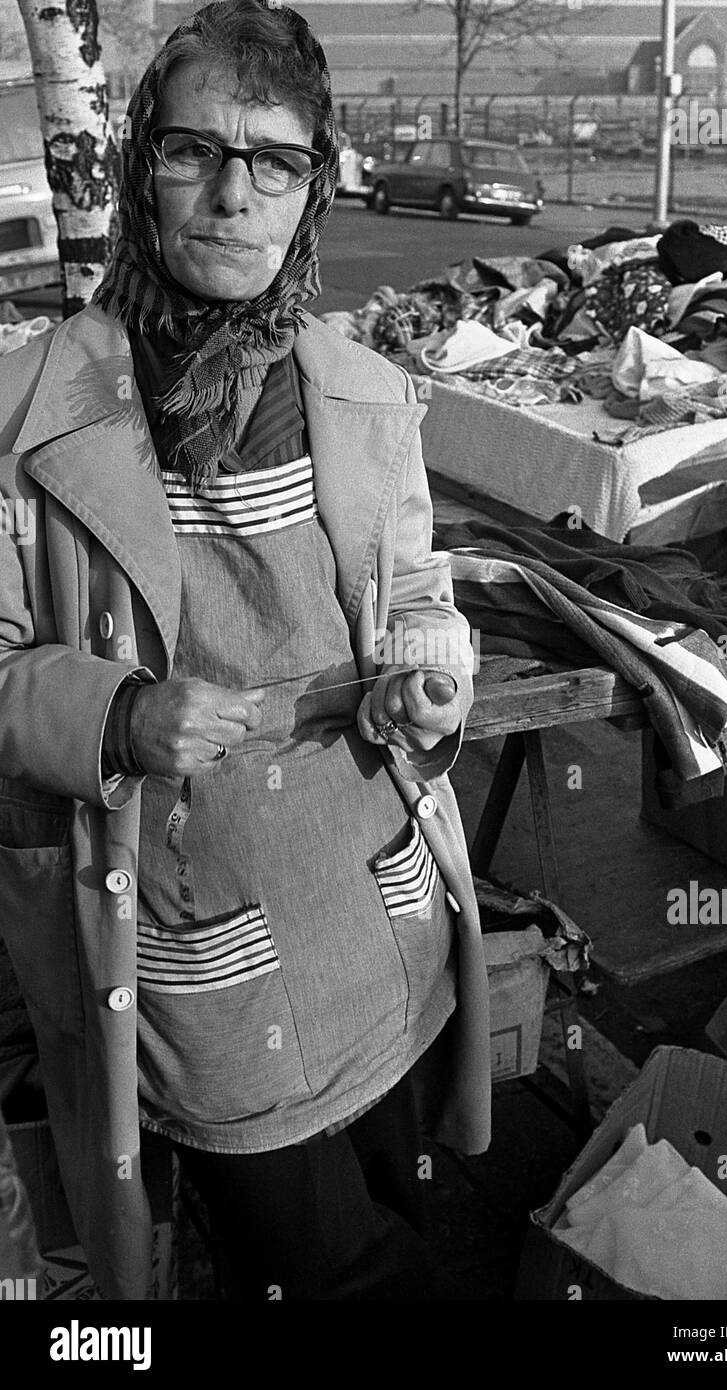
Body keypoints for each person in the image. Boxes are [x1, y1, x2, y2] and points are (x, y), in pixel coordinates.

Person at [0, 0, 490, 1300]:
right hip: (190, 945)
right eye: (193, 152)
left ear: (313, 190)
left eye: (274, 161)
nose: (232, 196)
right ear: (139, 162)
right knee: (314, 1254)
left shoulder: (360, 390)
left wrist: (435, 658)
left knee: (399, 1201)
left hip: (379, 911)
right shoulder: (35, 408)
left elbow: (415, 593)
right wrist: (118, 713)